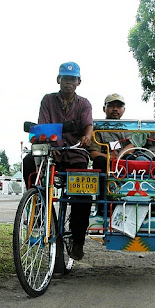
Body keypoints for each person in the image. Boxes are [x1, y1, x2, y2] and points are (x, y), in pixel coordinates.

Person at [23, 61, 93, 260]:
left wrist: (86, 136)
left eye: (72, 79)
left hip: (75, 152)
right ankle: (37, 208)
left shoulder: (84, 103)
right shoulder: (48, 100)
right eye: (65, 79)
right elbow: (44, 125)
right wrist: (49, 144)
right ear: (58, 80)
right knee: (29, 161)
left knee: (83, 191)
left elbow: (88, 125)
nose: (68, 83)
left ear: (78, 82)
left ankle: (78, 239)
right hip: (51, 152)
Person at [89, 93, 134, 173]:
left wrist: (121, 154)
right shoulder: (98, 129)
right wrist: (112, 158)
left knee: (132, 158)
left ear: (124, 109)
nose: (115, 109)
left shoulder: (129, 127)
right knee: (99, 160)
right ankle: (103, 185)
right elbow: (93, 153)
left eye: (119, 106)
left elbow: (134, 145)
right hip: (107, 163)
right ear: (104, 108)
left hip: (123, 162)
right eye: (111, 106)